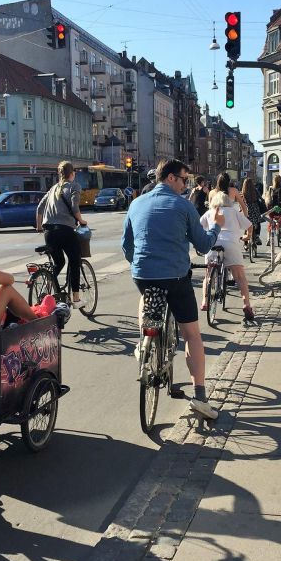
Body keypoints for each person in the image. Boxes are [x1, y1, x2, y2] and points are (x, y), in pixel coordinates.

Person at [122, 159, 225, 419]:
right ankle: (200, 395)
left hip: (143, 275)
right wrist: (216, 226)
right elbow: (203, 246)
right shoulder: (183, 205)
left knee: (147, 296)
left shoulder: (136, 203)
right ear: (170, 178)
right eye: (184, 179)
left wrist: (141, 264)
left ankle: (144, 342)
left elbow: (127, 245)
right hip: (175, 277)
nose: (186, 184)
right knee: (191, 333)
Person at [36, 161, 88, 307]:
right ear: (72, 174)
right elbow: (74, 206)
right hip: (65, 230)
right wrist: (81, 220)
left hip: (49, 232)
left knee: (59, 262)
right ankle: (76, 299)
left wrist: (39, 227)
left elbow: (40, 208)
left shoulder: (53, 188)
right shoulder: (74, 186)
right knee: (74, 260)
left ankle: (49, 284)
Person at [200, 187, 255, 320]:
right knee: (240, 276)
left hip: (212, 243)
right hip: (231, 244)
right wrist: (248, 236)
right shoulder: (233, 212)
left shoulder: (209, 212)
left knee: (208, 274)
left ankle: (205, 301)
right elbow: (249, 225)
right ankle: (246, 304)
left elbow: (198, 227)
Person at [264, 174, 281, 245]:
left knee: (271, 221)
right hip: (280, 207)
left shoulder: (270, 188)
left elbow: (267, 198)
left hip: (272, 208)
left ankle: (268, 238)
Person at [241, 178, 264, 246]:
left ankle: (245, 244)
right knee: (258, 222)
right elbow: (261, 199)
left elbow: (241, 202)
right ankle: (257, 236)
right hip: (255, 210)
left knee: (246, 225)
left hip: (247, 210)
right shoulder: (255, 190)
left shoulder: (243, 192)